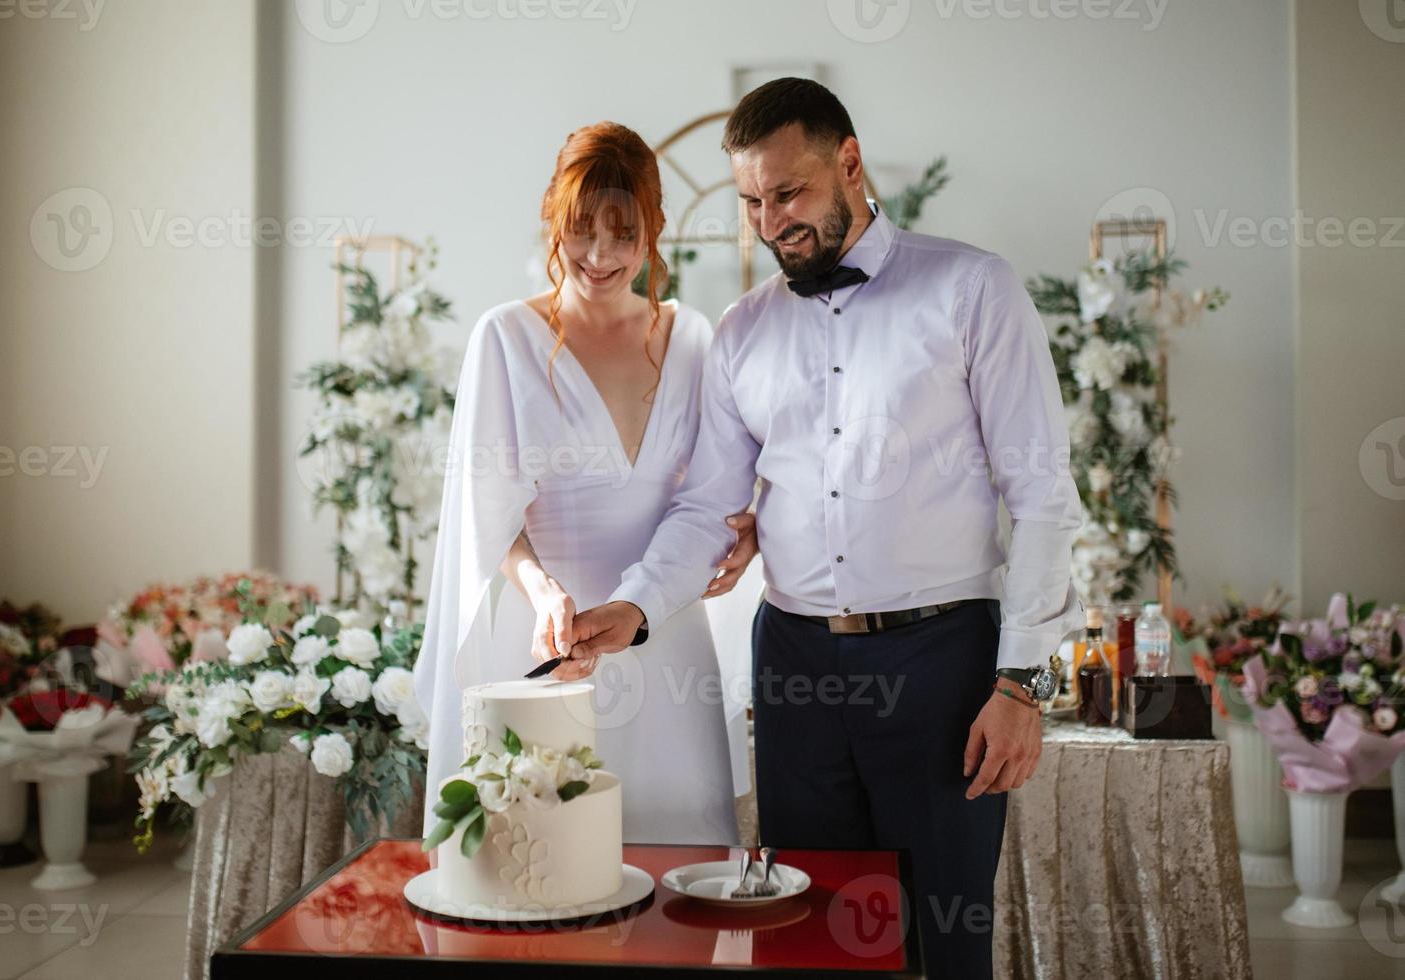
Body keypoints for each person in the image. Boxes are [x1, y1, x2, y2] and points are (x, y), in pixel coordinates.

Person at [570, 79, 1084, 978]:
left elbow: (1041, 494)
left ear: (849, 162)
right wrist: (634, 605)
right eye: (752, 203)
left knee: (943, 938)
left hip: (942, 665)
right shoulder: (741, 333)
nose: (771, 223)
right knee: (807, 937)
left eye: (789, 193)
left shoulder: (972, 290)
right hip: (796, 668)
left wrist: (1021, 685)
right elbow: (709, 509)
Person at [412, 121, 758, 846]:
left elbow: (714, 496)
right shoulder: (505, 337)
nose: (599, 256)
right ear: (553, 221)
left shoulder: (694, 339)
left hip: (663, 640)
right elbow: (486, 509)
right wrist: (541, 589)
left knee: (678, 863)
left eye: (623, 234)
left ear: (652, 231)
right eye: (580, 230)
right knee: (544, 858)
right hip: (548, 638)